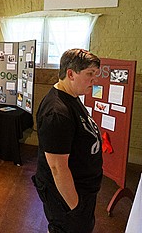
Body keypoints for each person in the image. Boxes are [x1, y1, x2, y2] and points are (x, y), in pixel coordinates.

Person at [32, 48, 102, 233]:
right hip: (66, 196)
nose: (95, 80)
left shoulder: (72, 96)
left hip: (82, 188)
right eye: (90, 74)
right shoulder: (56, 112)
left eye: (96, 74)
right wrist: (76, 207)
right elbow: (57, 168)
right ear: (70, 73)